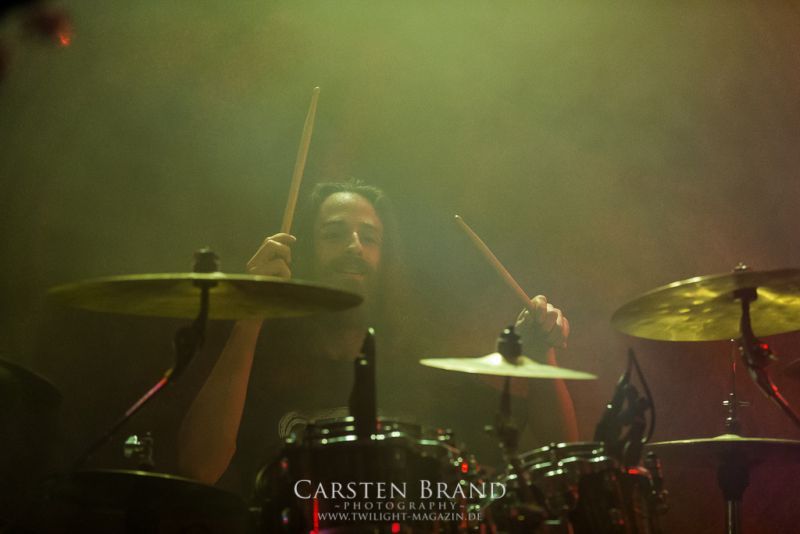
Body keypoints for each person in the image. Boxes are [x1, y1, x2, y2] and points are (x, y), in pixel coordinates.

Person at [177, 179, 578, 492]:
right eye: (333, 234)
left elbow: (560, 456)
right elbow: (199, 467)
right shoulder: (258, 360)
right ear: (303, 253)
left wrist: (541, 353)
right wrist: (250, 315)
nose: (354, 247)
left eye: (369, 238)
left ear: (385, 261)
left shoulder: (425, 371)